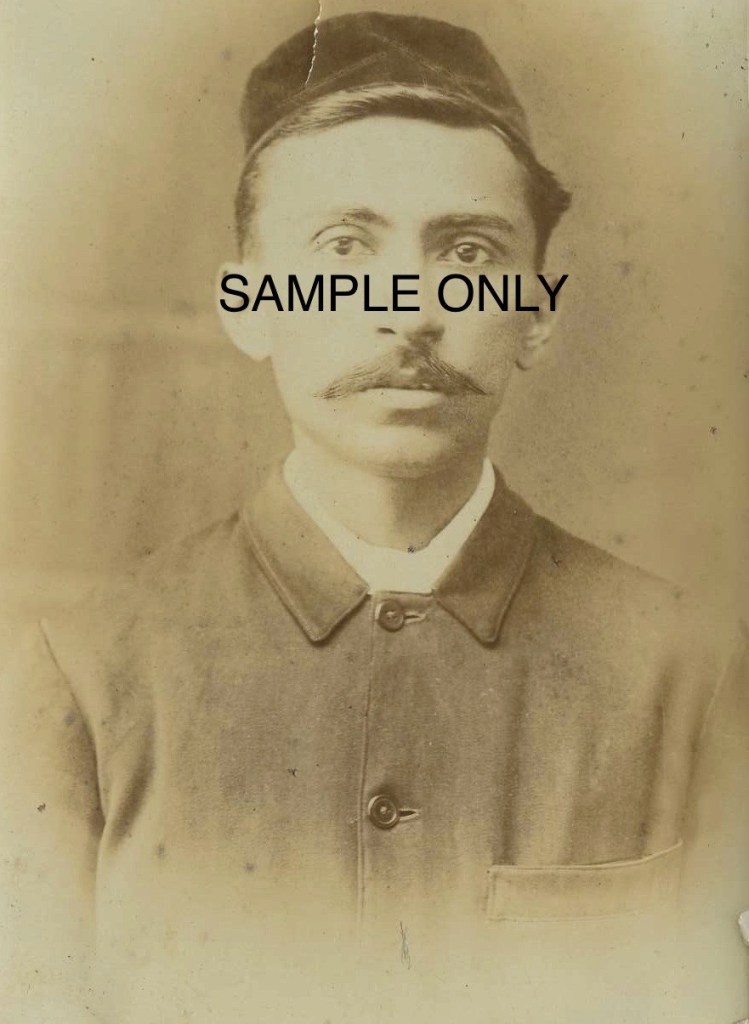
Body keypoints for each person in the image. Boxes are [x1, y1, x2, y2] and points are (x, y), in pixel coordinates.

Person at [2, 11, 747, 1024]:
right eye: (342, 248)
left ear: (535, 315)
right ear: (249, 304)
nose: (408, 310)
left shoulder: (687, 672)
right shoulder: (84, 670)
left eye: (468, 253)